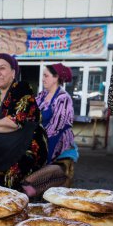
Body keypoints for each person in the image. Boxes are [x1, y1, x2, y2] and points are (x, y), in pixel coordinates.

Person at [0, 53, 48, 191]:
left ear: (13, 72)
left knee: (8, 186)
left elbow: (14, 123)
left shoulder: (22, 88)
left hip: (25, 147)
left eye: (2, 68)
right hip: (4, 146)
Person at [22, 63, 79, 198]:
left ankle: (28, 186)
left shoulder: (63, 99)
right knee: (34, 181)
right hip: (42, 142)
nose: (43, 79)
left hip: (60, 148)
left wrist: (44, 155)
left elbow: (56, 129)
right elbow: (29, 114)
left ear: (56, 78)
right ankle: (30, 192)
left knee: (56, 173)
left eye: (46, 76)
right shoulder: (42, 96)